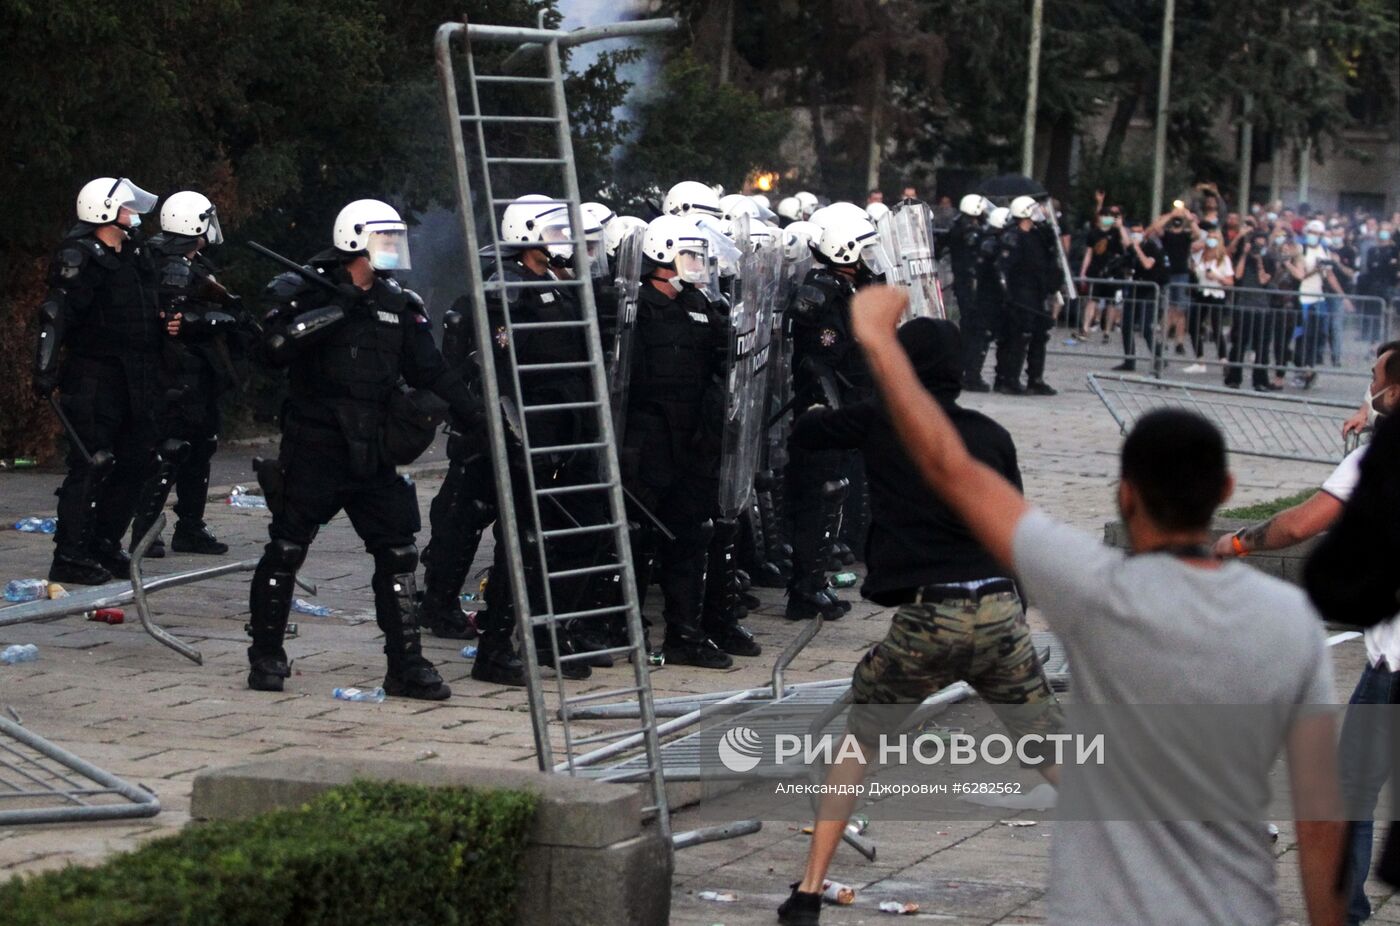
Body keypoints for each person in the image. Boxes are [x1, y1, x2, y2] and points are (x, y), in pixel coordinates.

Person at [848, 283, 1347, 926]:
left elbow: (951, 469)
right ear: (1224, 488)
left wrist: (880, 343)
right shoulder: (1292, 623)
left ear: (1125, 495)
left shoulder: (1093, 590)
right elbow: (1320, 807)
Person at [776, 318, 1062, 926]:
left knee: (860, 740)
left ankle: (808, 892)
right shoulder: (991, 434)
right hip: (997, 609)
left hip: (930, 613)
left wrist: (830, 400)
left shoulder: (884, 420)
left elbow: (809, 434)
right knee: (1048, 747)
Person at [247, 198, 482, 699]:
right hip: (316, 444)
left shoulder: (399, 304)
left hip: (373, 449)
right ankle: (267, 655)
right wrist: (334, 311)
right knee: (287, 549)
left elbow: (433, 371)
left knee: (398, 554)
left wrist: (477, 416)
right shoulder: (305, 289)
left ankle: (406, 665)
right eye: (385, 240)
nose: (395, 250)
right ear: (355, 240)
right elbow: (271, 350)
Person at [1218, 344, 1399, 926]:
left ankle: (1344, 912)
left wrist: (1238, 541)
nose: (1366, 388)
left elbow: (1300, 524)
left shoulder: (1382, 461)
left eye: (1374, 379)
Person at [620, 215, 742, 668]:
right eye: (689, 256)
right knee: (634, 536)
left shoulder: (703, 306)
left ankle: (685, 636)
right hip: (647, 440)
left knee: (693, 534)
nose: (697, 265)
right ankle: (619, 629)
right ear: (663, 256)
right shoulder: (635, 308)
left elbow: (722, 360)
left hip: (692, 439)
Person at [32, 177, 162, 585]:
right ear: (104, 211)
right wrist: (45, 367)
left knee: (138, 460)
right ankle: (70, 553)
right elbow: (56, 314)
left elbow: (146, 308)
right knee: (92, 463)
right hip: (94, 375)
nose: (134, 215)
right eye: (127, 208)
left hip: (135, 375)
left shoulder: (134, 254)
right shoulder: (80, 255)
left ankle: (104, 542)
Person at [129, 190, 244, 558]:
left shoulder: (194, 263)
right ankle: (145, 530)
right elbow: (173, 321)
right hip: (176, 373)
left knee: (201, 447)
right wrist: (207, 321)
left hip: (198, 372)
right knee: (170, 450)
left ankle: (191, 527)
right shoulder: (172, 265)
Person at [784, 210, 887, 621]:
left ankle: (815, 581)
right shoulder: (824, 297)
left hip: (849, 410)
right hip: (826, 414)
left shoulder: (847, 290)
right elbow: (823, 362)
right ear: (845, 251)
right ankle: (803, 590)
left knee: (834, 495)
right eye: (862, 251)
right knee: (820, 495)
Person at [418, 297, 497, 646]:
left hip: (524, 423)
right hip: (480, 428)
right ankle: (439, 602)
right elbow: (448, 372)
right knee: (462, 516)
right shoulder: (486, 300)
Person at [995, 195, 1060, 396]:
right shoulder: (1012, 237)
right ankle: (1010, 379)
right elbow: (1003, 268)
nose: (1038, 211)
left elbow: (1049, 259)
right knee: (1019, 336)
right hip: (1021, 294)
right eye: (1033, 209)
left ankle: (1035, 378)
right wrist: (1007, 294)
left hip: (1037, 292)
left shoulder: (1038, 235)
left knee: (1040, 335)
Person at [1224, 226, 1278, 391]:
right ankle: (1233, 378)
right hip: (1244, 307)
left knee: (1261, 347)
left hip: (1262, 308)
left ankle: (1260, 381)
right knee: (1239, 344)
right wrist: (1246, 254)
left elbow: (1264, 280)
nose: (1258, 248)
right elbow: (1237, 276)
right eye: (1257, 245)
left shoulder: (1269, 260)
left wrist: (1259, 260)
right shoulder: (1245, 258)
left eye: (1262, 245)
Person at [1112, 219, 1166, 373]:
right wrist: (1121, 226)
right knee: (1127, 326)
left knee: (1146, 327)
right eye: (1133, 231)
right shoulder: (1132, 248)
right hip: (1134, 291)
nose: (1136, 235)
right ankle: (1129, 360)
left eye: (1139, 231)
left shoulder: (1151, 247)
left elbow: (1148, 265)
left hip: (1148, 291)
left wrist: (1137, 248)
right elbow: (1127, 245)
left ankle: (1158, 356)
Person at [946, 194, 989, 387]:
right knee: (974, 329)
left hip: (967, 285)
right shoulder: (968, 232)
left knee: (970, 328)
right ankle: (970, 373)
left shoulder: (959, 228)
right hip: (970, 286)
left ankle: (967, 370)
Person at [967, 206, 1011, 389]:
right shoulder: (990, 245)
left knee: (990, 337)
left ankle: (993, 376)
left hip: (992, 298)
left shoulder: (990, 241)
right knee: (982, 337)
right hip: (989, 299)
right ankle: (973, 375)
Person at [1149, 203, 1200, 359]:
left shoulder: (1186, 235)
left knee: (1181, 310)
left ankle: (1179, 342)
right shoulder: (1167, 235)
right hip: (1168, 273)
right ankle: (1163, 339)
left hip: (1182, 273)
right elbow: (1155, 229)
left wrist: (1188, 217)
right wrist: (1171, 215)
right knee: (1168, 308)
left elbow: (1197, 234)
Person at [1182, 232, 1234, 374]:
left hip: (1216, 293)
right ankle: (1200, 360)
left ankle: (1223, 359)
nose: (1211, 241)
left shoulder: (1223, 259)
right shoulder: (1200, 256)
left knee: (1216, 326)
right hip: (1201, 293)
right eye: (1209, 238)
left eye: (1214, 238)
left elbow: (1230, 281)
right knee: (1194, 326)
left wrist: (1217, 277)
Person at [1077, 205, 1125, 341]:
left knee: (1111, 303)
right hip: (1096, 271)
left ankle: (1107, 332)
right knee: (1092, 300)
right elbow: (1089, 253)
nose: (1107, 219)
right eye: (1105, 216)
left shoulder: (1116, 233)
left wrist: (1120, 226)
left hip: (1113, 272)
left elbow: (1126, 244)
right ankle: (1085, 328)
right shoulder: (1093, 233)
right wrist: (1083, 271)